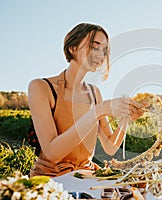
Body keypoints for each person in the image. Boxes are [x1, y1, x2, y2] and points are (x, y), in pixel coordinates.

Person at [28, 23, 146, 177]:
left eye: (104, 51)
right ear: (73, 48)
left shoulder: (94, 92)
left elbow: (110, 147)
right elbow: (52, 153)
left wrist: (126, 119)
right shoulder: (41, 87)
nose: (101, 55)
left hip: (86, 176)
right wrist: (98, 111)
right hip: (52, 177)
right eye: (95, 46)